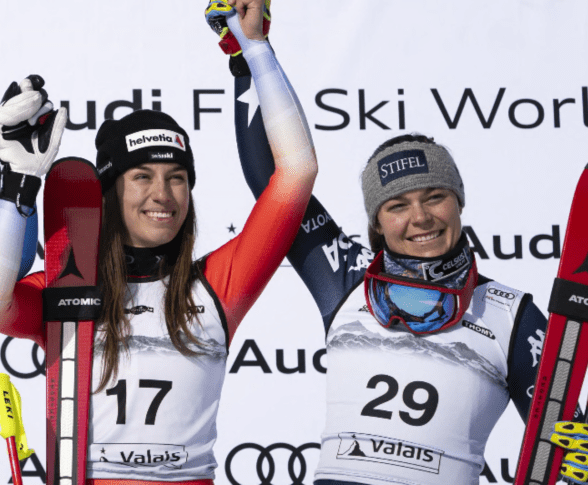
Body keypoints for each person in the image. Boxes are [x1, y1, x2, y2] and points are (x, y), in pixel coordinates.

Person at [0, 1, 317, 482]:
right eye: (142, 176)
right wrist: (18, 188)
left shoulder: (216, 286)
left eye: (177, 177)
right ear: (110, 192)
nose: (163, 194)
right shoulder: (68, 291)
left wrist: (255, 48)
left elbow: (297, 171)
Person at [213, 16, 549, 484]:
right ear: (376, 221)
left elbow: (562, 444)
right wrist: (249, 51)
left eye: (435, 196)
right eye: (397, 206)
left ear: (459, 200)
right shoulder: (344, 279)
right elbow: (272, 178)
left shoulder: (513, 315)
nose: (421, 218)